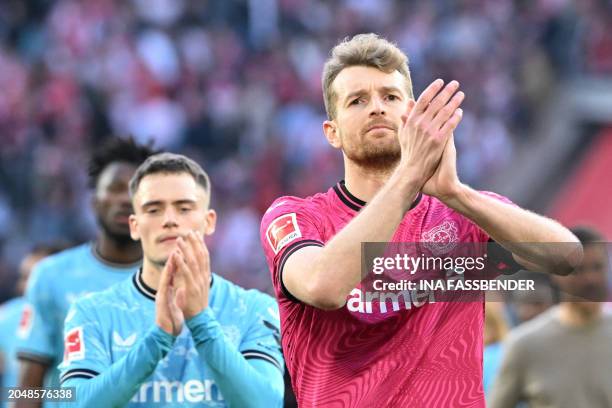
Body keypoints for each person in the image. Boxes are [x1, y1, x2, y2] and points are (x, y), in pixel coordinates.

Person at [259, 33, 581, 407]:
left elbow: (566, 256)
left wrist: (456, 193)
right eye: (357, 101)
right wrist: (409, 177)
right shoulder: (297, 216)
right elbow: (324, 287)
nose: (376, 108)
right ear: (332, 132)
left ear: (411, 115)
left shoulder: (462, 213)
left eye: (390, 96)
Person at [58, 153, 284, 407]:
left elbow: (266, 403)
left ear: (209, 222)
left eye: (184, 208)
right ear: (134, 226)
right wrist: (157, 340)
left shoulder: (254, 310)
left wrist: (201, 323)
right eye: (153, 209)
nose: (169, 220)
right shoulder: (92, 313)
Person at [16, 137, 157, 401]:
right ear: (94, 202)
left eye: (136, 189)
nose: (126, 199)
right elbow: (26, 388)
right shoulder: (51, 276)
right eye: (115, 188)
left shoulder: (178, 280)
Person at [489, 227, 612, 408]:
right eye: (578, 270)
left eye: (597, 267)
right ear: (555, 274)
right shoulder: (525, 345)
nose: (590, 279)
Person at [0, 245, 66, 407]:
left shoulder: (82, 317)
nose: (24, 286)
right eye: (23, 277)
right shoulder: (5, 316)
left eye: (35, 278)